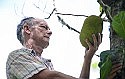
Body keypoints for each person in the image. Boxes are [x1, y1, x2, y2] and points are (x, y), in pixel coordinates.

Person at [6, 17, 102, 79]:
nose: (50, 32)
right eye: (43, 27)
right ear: (27, 29)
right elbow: (52, 77)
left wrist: (88, 58)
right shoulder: (16, 57)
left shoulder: (47, 64)